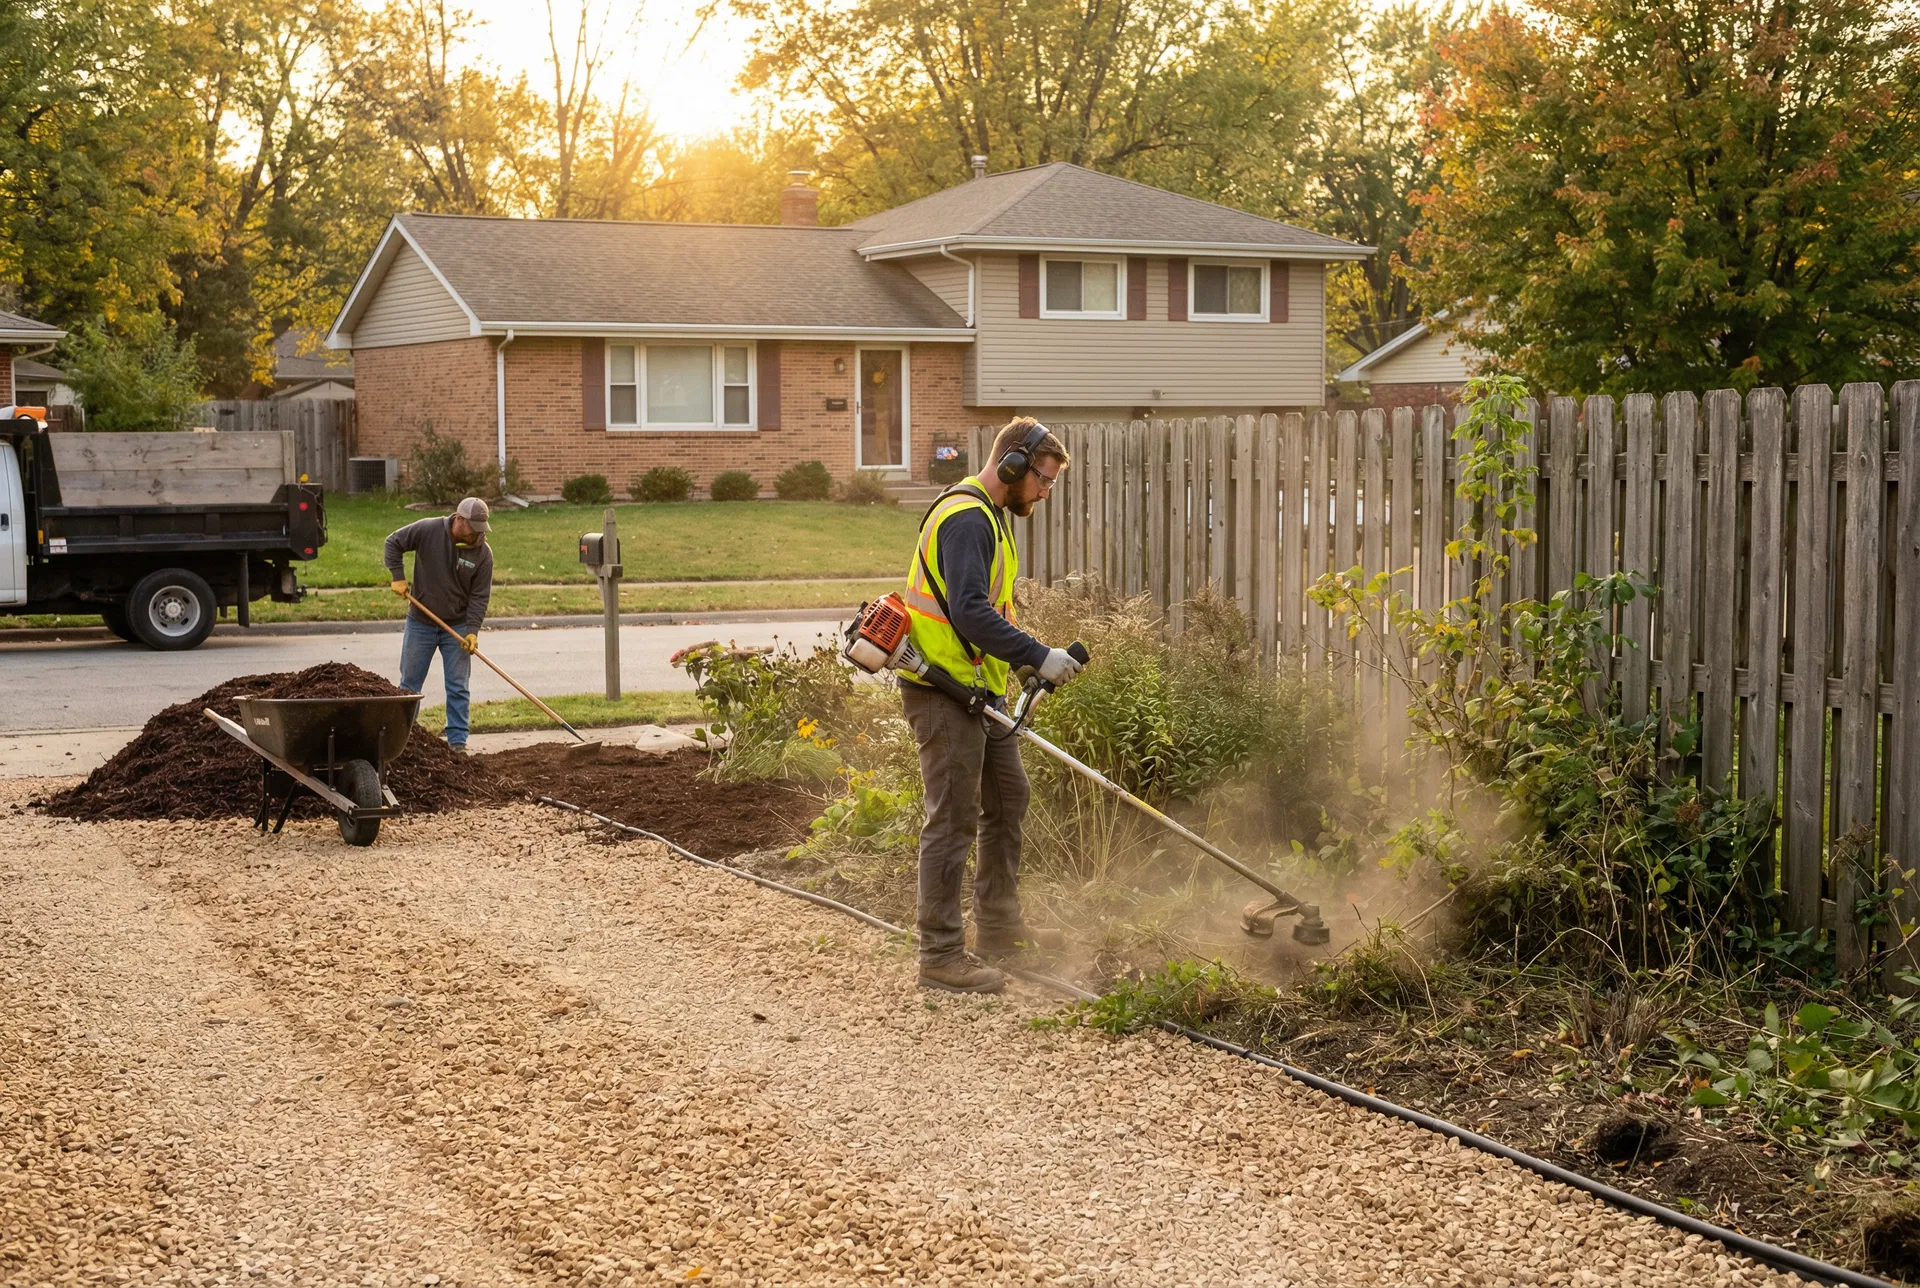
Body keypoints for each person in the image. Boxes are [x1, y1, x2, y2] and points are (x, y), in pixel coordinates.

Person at [900, 417, 1083, 994]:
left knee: (1007, 799)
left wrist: (1019, 661)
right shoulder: (965, 519)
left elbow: (984, 618)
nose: (1046, 491)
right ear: (1012, 465)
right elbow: (971, 612)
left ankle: (1000, 929)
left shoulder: (992, 518)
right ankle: (940, 954)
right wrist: (1038, 653)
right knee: (952, 819)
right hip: (942, 691)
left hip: (979, 689)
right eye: (1044, 479)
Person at [385, 496, 494, 752]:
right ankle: (404, 741)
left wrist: (472, 631)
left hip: (456, 626)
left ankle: (457, 743)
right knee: (410, 685)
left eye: (481, 530)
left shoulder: (482, 554)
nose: (477, 536)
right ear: (459, 520)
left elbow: (479, 596)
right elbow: (393, 543)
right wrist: (397, 577)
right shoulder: (427, 530)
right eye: (474, 529)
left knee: (458, 685)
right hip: (420, 622)